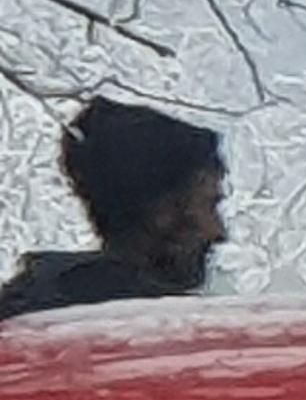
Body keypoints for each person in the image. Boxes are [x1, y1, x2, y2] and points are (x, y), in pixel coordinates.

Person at [1, 98, 229, 318]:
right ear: (162, 214)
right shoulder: (159, 336)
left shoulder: (25, 317)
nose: (219, 233)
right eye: (209, 205)